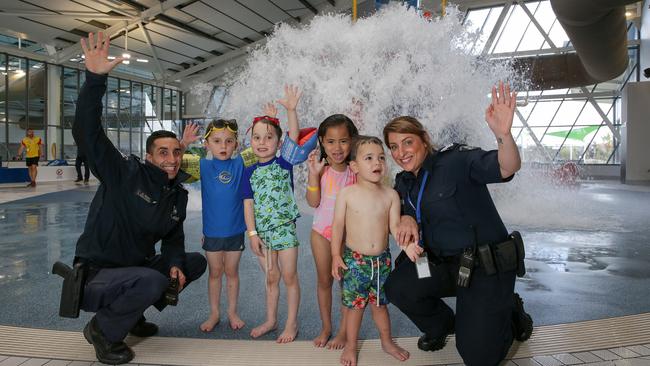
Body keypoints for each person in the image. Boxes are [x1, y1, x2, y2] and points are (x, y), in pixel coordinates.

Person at [71, 32, 207, 365]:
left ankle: (130, 313)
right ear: (148, 156)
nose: (172, 159)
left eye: (176, 152)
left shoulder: (176, 195)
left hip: (133, 271)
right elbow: (86, 134)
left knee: (193, 263)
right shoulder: (123, 174)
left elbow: (173, 240)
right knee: (151, 278)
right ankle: (102, 330)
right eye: (163, 153)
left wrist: (175, 263)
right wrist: (95, 80)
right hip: (96, 274)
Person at [382, 82, 533, 366]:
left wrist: (503, 135)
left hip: (483, 268)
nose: (400, 152)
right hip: (441, 265)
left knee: (478, 357)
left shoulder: (457, 161)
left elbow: (507, 167)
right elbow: (403, 211)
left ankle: (510, 314)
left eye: (407, 142)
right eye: (393, 146)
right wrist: (403, 216)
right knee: (398, 287)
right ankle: (441, 326)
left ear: (424, 139)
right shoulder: (403, 182)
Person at [330, 136, 410, 366]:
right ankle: (351, 346)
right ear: (354, 166)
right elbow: (337, 227)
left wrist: (409, 245)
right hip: (354, 261)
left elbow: (395, 228)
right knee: (354, 309)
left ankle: (386, 341)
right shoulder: (347, 194)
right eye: (369, 158)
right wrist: (336, 255)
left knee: (380, 305)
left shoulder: (390, 195)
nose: (378, 162)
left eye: (381, 157)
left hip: (382, 262)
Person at [241, 85, 303, 343]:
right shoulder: (249, 171)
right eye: (257, 137)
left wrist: (290, 111)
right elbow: (248, 205)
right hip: (264, 235)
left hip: (285, 230)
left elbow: (295, 136)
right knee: (271, 277)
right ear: (250, 142)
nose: (262, 142)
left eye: (268, 138)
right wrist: (252, 234)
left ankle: (291, 323)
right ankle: (271, 319)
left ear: (278, 143)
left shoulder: (284, 163)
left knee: (289, 276)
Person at [180, 119, 248, 332]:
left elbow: (265, 147)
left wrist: (268, 121)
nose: (223, 146)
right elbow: (174, 160)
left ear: (236, 144)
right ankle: (215, 313)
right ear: (207, 144)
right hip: (212, 233)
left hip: (235, 232)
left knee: (232, 272)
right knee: (215, 272)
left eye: (229, 141)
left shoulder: (241, 164)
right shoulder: (203, 166)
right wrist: (184, 143)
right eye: (217, 141)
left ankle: (232, 312)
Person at [305, 114, 358, 349]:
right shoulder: (321, 169)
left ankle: (345, 332)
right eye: (331, 142)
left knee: (347, 284)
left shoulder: (356, 170)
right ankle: (326, 327)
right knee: (324, 280)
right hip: (321, 234)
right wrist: (314, 175)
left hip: (349, 236)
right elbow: (313, 202)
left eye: (344, 141)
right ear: (322, 143)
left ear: (353, 141)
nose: (337, 148)